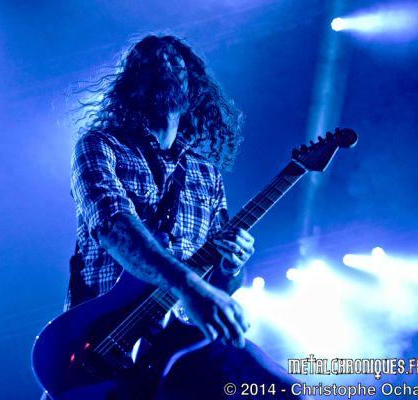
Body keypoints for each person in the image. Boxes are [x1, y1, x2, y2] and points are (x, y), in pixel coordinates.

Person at [64, 34, 309, 399]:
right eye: (151, 63)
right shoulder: (99, 145)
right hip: (100, 345)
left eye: (175, 64)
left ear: (194, 90)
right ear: (131, 84)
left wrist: (231, 266)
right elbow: (114, 228)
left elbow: (219, 287)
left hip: (177, 343)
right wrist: (189, 286)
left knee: (284, 391)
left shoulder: (206, 176)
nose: (164, 67)